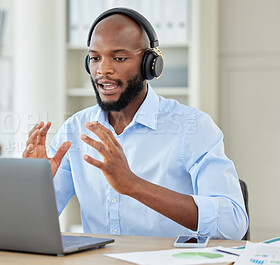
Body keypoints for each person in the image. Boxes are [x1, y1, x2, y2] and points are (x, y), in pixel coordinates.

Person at [23, 8, 248, 240]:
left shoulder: (192, 127)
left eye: (119, 58)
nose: (103, 70)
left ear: (150, 65)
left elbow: (232, 224)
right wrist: (33, 184)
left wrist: (133, 185)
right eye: (95, 58)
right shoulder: (75, 129)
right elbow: (30, 227)